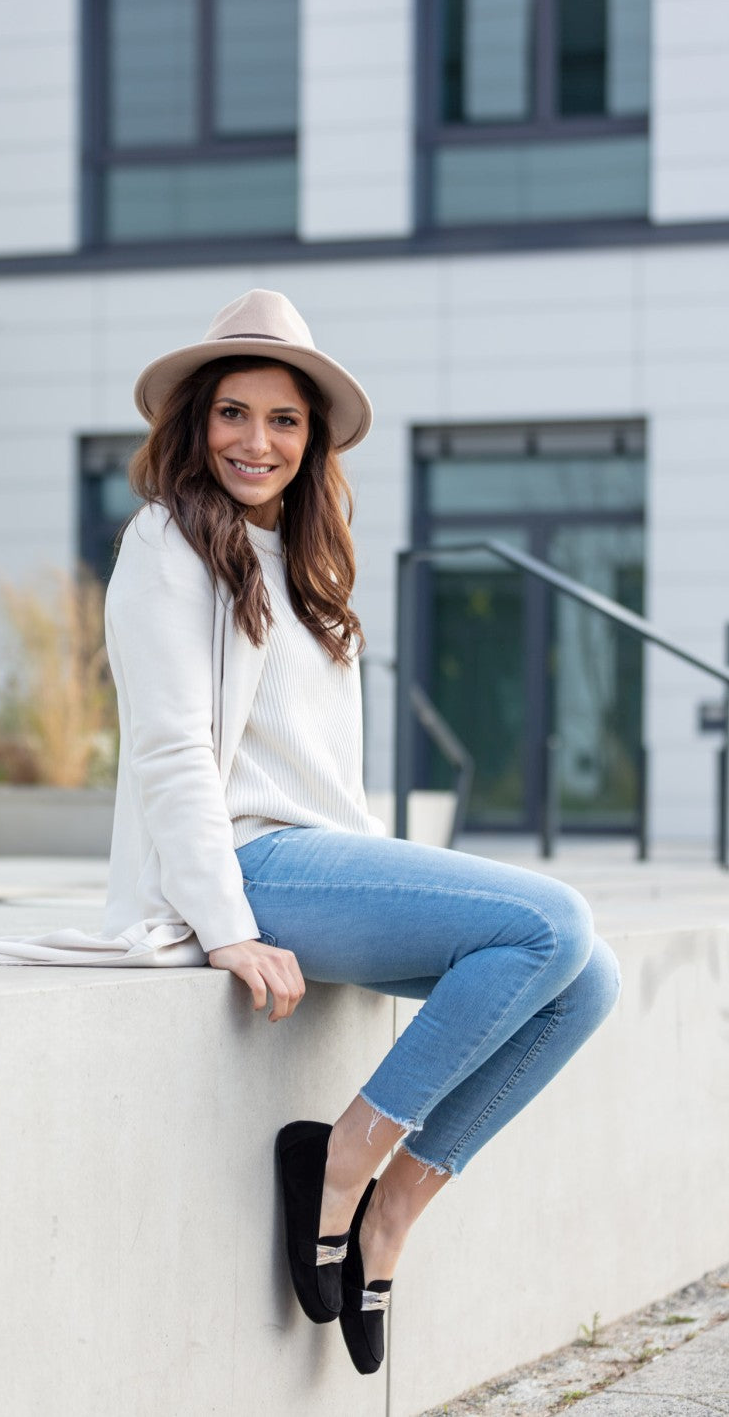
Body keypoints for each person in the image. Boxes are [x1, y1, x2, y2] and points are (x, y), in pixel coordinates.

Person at [102, 288, 622, 1377]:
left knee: (593, 978)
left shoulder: (315, 569)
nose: (257, 440)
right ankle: (341, 1160)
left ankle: (390, 1212)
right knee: (551, 922)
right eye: (233, 413)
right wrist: (222, 921)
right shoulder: (166, 542)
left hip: (319, 863)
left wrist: (387, 888)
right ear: (195, 424)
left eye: (283, 420)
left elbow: (332, 783)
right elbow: (168, 750)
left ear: (312, 439)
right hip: (249, 866)